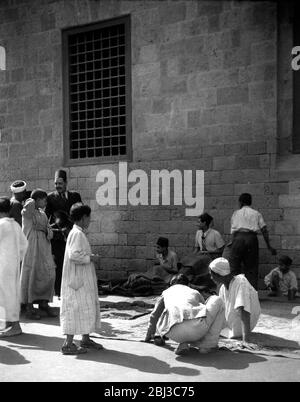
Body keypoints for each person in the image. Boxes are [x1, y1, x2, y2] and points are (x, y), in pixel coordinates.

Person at [144, 273, 225, 355]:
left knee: (167, 314)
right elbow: (203, 314)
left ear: (171, 284)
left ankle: (183, 343)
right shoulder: (194, 292)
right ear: (188, 284)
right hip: (196, 329)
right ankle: (207, 345)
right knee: (217, 300)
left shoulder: (166, 292)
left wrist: (148, 336)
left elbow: (154, 315)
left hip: (172, 334)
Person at [60, 203, 102, 355]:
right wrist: (91, 258)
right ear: (83, 218)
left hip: (81, 278)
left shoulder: (78, 232)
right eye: (88, 217)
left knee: (86, 307)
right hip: (77, 280)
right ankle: (68, 344)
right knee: (75, 309)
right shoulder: (77, 234)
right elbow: (74, 255)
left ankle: (85, 338)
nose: (90, 220)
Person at [223, 193, 276, 289]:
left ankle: (235, 291)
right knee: (251, 268)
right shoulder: (256, 213)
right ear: (250, 202)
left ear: (241, 202)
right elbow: (264, 230)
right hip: (251, 239)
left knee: (234, 267)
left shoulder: (236, 213)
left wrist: (233, 245)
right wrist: (269, 246)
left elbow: (233, 232)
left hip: (238, 238)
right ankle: (252, 294)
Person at [20, 189, 57, 320]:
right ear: (37, 200)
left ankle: (43, 303)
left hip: (44, 249)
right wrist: (32, 199)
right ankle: (29, 307)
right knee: (31, 275)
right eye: (44, 199)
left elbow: (50, 231)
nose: (46, 202)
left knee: (48, 274)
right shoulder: (27, 213)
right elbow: (28, 206)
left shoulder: (43, 214)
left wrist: (45, 230)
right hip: (31, 250)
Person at [45, 169, 82, 297]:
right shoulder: (50, 198)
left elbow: (80, 214)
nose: (57, 186)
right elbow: (46, 217)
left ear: (66, 183)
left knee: (74, 262)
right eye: (56, 183)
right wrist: (54, 230)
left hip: (72, 236)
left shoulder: (75, 196)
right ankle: (59, 293)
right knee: (59, 264)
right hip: (58, 238)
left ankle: (74, 291)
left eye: (60, 183)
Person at [209, 257, 260, 347]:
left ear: (218, 274)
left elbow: (243, 309)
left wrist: (246, 340)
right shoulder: (223, 288)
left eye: (212, 275)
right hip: (231, 326)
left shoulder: (241, 282)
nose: (211, 278)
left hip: (241, 327)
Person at [110, 237, 178, 296]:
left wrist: (162, 267)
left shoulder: (172, 255)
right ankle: (111, 284)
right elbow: (157, 266)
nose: (156, 249)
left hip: (164, 277)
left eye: (158, 247)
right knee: (133, 277)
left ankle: (118, 287)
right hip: (155, 273)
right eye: (156, 247)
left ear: (164, 248)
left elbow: (175, 270)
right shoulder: (159, 254)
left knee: (139, 280)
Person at [0, 197, 28, 338]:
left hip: (3, 267)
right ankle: (9, 324)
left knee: (6, 295)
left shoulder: (1, 225)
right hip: (13, 266)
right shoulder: (15, 225)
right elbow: (25, 245)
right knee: (11, 294)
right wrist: (17, 259)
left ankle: (15, 326)